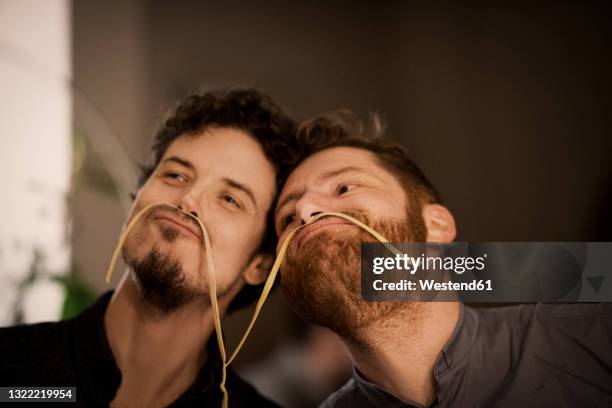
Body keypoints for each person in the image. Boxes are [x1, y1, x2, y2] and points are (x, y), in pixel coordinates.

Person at [274, 111, 612, 407]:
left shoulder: (589, 339)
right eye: (287, 218)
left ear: (436, 225)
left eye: (344, 188)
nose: (305, 211)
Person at [0, 88, 296, 407]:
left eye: (229, 199)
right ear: (137, 195)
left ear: (260, 265)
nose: (188, 200)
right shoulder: (12, 374)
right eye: (176, 175)